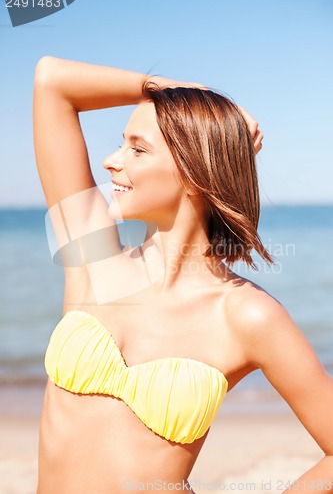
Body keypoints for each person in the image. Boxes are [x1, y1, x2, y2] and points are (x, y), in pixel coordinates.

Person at [33, 56, 333, 494]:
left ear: (196, 172)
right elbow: (52, 82)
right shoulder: (92, 258)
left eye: (137, 148)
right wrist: (188, 94)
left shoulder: (246, 315)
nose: (110, 161)